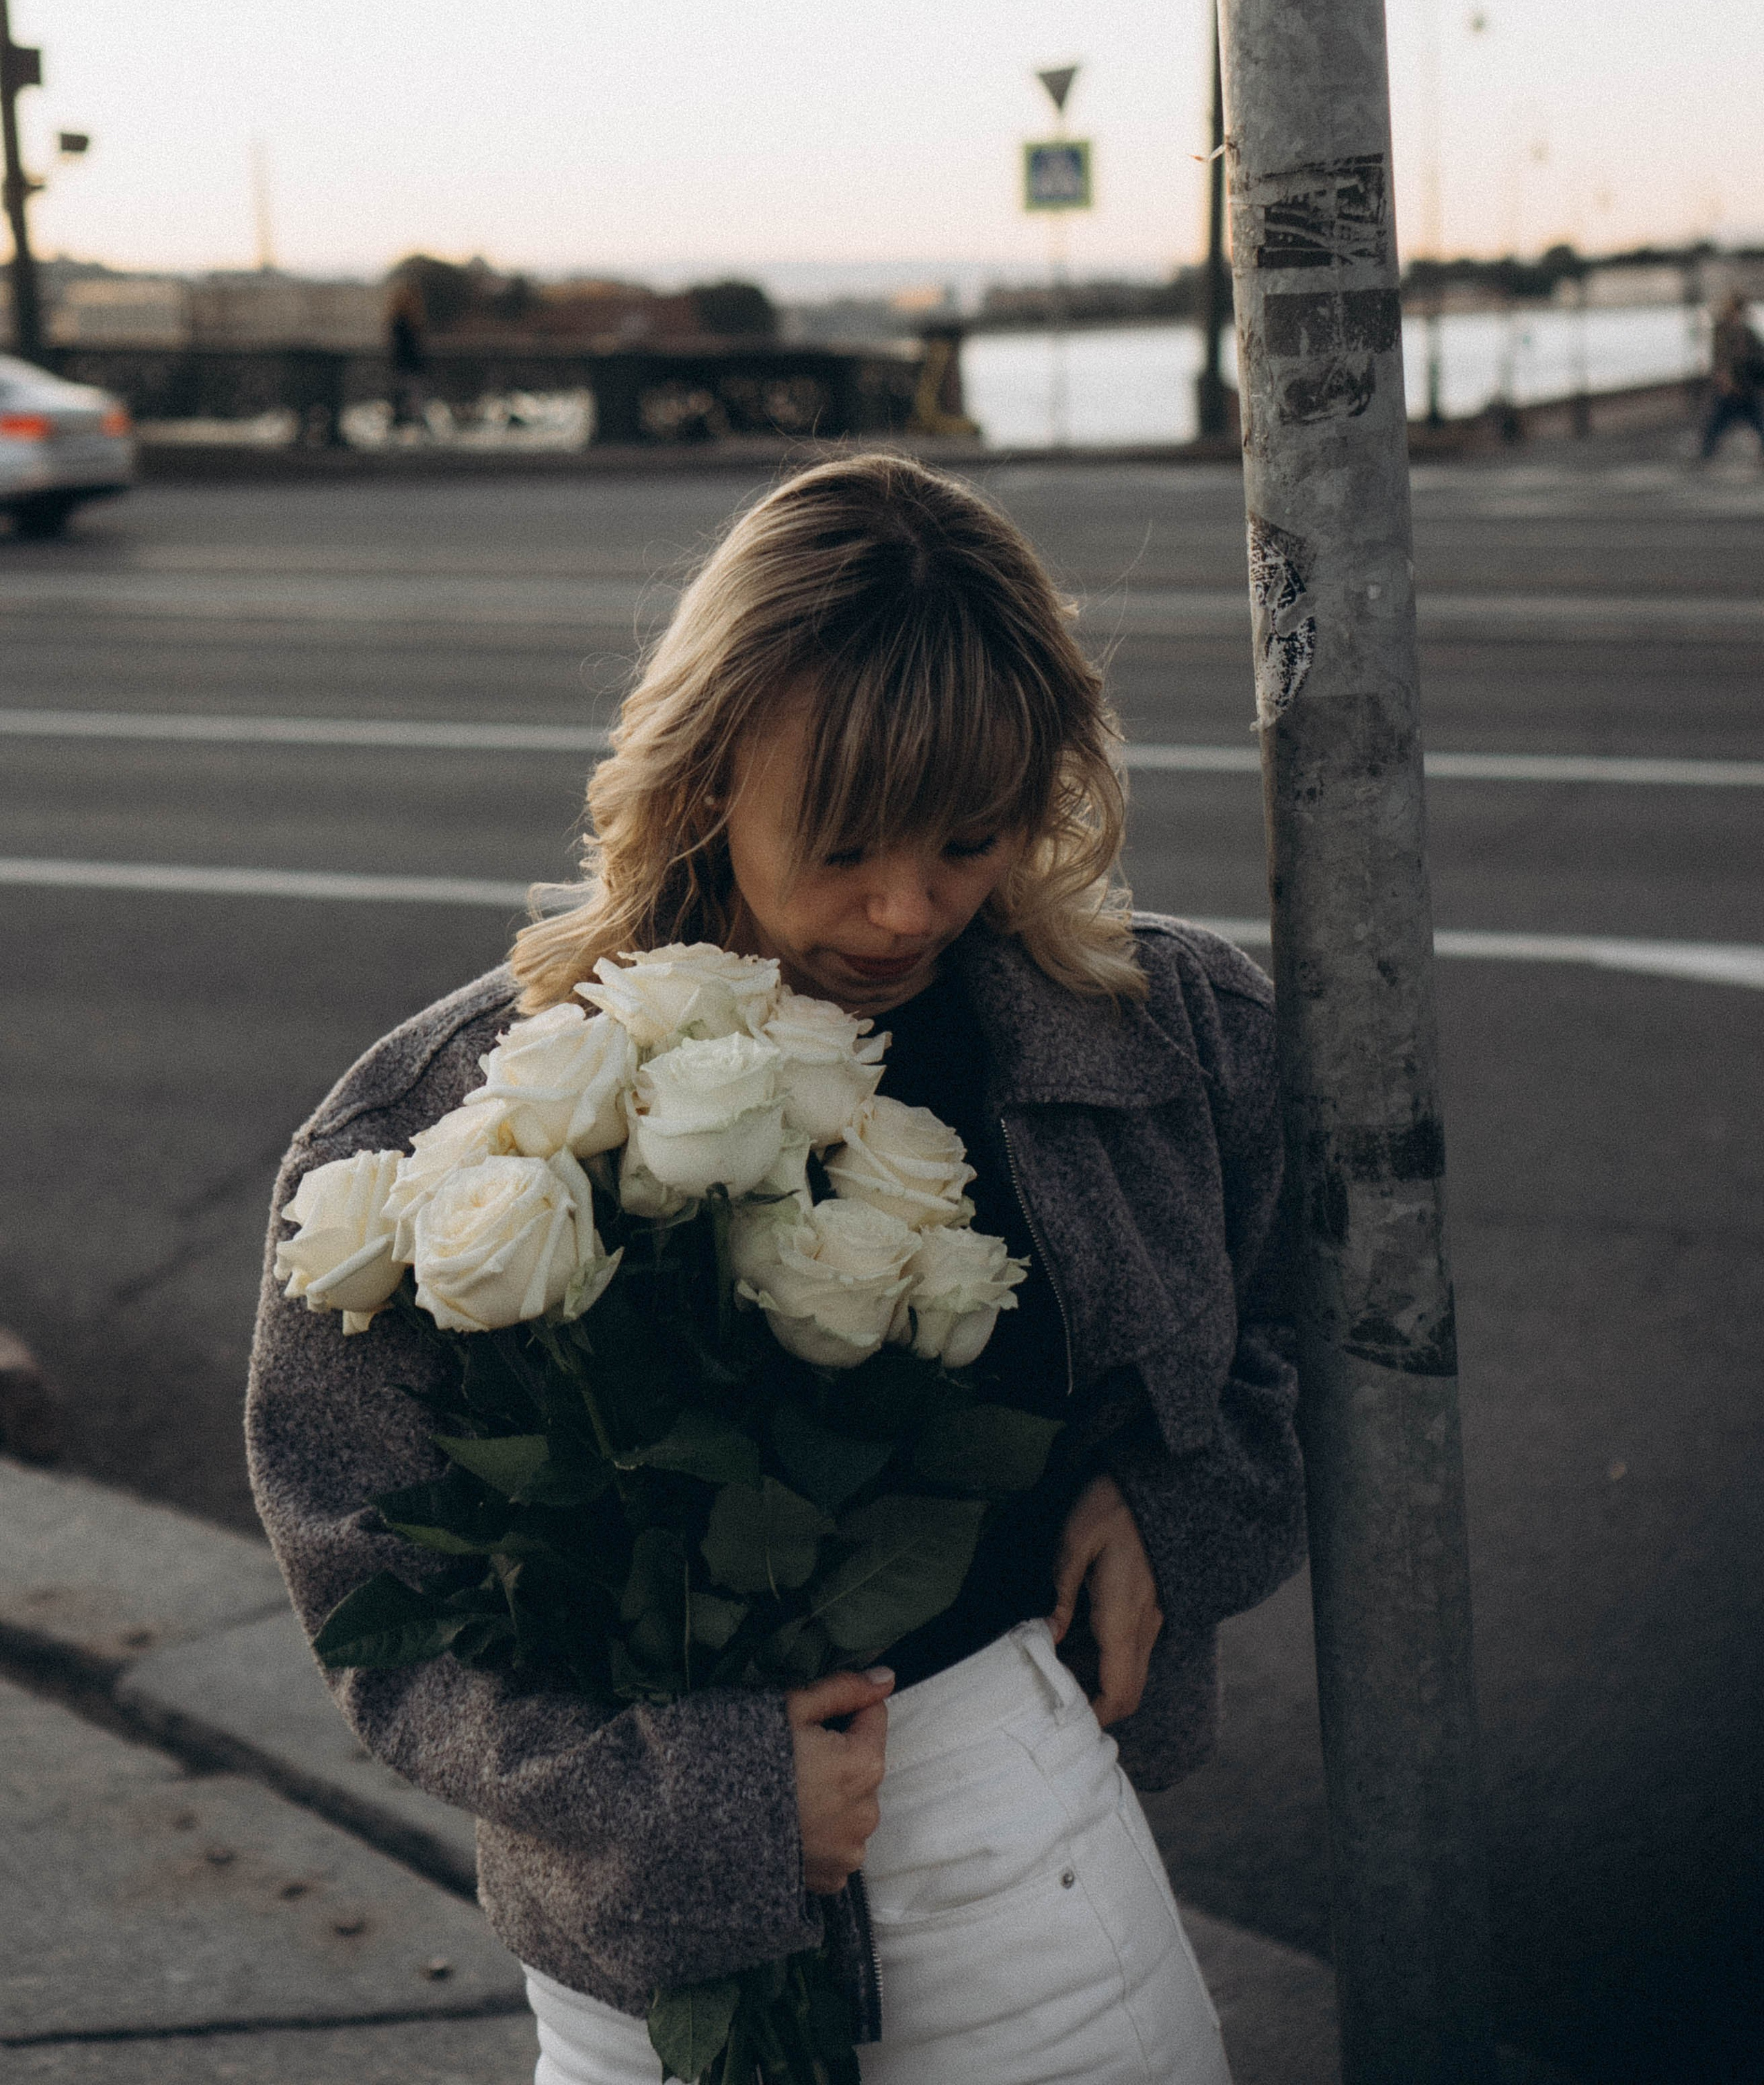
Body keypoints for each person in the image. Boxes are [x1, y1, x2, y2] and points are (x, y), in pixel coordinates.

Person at [247, 455, 1306, 2084]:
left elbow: (1318, 1332)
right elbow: (367, 1585)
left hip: (1029, 1883)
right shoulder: (454, 1121)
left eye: (967, 838)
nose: (903, 908)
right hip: (639, 1970)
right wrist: (702, 1800)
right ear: (703, 776)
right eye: (842, 842)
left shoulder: (1168, 1038)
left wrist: (1185, 1496)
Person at [1700, 293, 1764, 460]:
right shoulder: (1724, 331)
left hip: (1745, 388)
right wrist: (1724, 379)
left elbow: (1757, 356)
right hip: (1731, 389)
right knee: (1717, 423)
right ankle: (1705, 454)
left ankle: (1705, 453)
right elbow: (1721, 359)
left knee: (1757, 421)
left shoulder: (1746, 332)